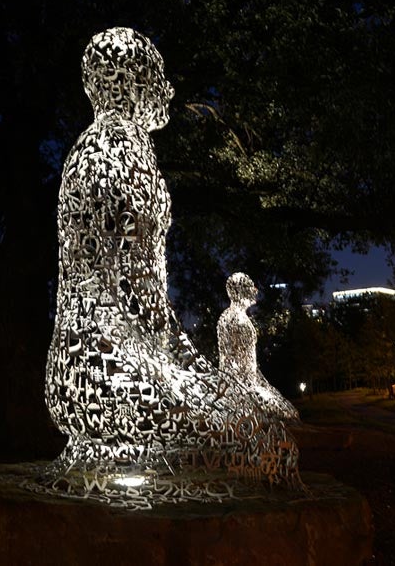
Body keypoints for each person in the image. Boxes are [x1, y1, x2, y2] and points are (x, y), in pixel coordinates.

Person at [42, 28, 298, 507]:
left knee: (254, 423)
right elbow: (114, 304)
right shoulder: (109, 154)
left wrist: (192, 373)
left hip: (129, 358)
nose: (169, 89)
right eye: (157, 75)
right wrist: (174, 377)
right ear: (127, 81)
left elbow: (152, 311)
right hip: (103, 371)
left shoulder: (127, 150)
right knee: (258, 439)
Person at [218, 272, 299, 420]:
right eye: (250, 287)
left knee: (288, 410)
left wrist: (264, 385)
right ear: (239, 292)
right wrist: (252, 387)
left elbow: (248, 363)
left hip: (247, 382)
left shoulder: (233, 317)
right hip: (240, 386)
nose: (255, 290)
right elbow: (234, 362)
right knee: (285, 414)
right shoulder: (234, 319)